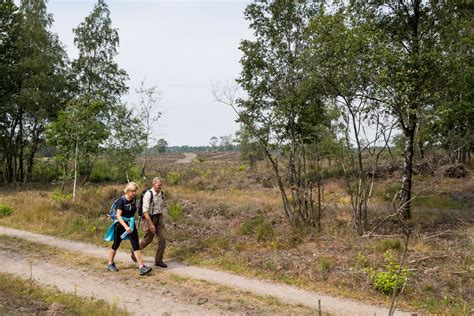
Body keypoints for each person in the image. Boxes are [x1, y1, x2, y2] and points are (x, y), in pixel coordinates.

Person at [105, 182, 152, 275]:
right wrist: (126, 227)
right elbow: (118, 216)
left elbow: (135, 210)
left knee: (135, 244)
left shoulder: (133, 199)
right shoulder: (121, 201)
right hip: (120, 225)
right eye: (132, 191)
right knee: (116, 244)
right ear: (127, 191)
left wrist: (139, 217)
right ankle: (110, 263)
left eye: (135, 191)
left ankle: (141, 266)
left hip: (131, 224)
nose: (134, 193)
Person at [131, 177, 167, 268]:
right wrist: (150, 224)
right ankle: (134, 250)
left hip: (159, 217)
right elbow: (145, 211)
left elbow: (160, 206)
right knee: (147, 239)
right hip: (149, 218)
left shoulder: (161, 194)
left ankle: (158, 260)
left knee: (162, 239)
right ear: (153, 184)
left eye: (161, 185)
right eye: (159, 185)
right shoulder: (148, 194)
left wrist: (161, 218)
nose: (160, 186)